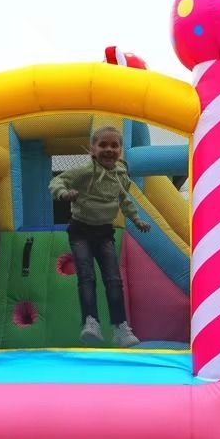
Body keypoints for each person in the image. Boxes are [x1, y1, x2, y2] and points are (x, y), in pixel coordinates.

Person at [49, 126, 151, 347]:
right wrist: (64, 193)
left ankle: (120, 327)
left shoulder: (120, 175)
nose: (109, 149)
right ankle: (91, 321)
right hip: (81, 231)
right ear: (93, 149)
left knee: (113, 280)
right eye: (103, 145)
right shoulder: (84, 172)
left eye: (114, 145)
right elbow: (57, 182)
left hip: (104, 232)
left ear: (120, 150)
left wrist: (136, 220)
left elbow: (124, 200)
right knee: (86, 276)